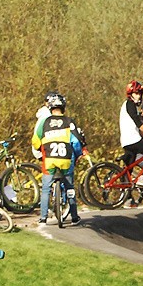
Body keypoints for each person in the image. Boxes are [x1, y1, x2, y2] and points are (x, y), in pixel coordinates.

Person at [32, 93, 86, 226]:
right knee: (69, 188)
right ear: (63, 107)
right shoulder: (69, 122)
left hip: (49, 160)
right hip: (66, 161)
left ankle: (43, 218)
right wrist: (78, 154)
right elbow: (76, 142)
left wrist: (40, 148)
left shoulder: (44, 122)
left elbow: (35, 140)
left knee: (45, 189)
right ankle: (74, 216)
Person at [119, 84, 143, 189]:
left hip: (127, 141)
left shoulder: (128, 105)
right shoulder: (130, 105)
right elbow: (140, 125)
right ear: (130, 94)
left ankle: (127, 198)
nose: (139, 96)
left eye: (140, 93)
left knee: (128, 170)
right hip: (133, 140)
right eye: (136, 93)